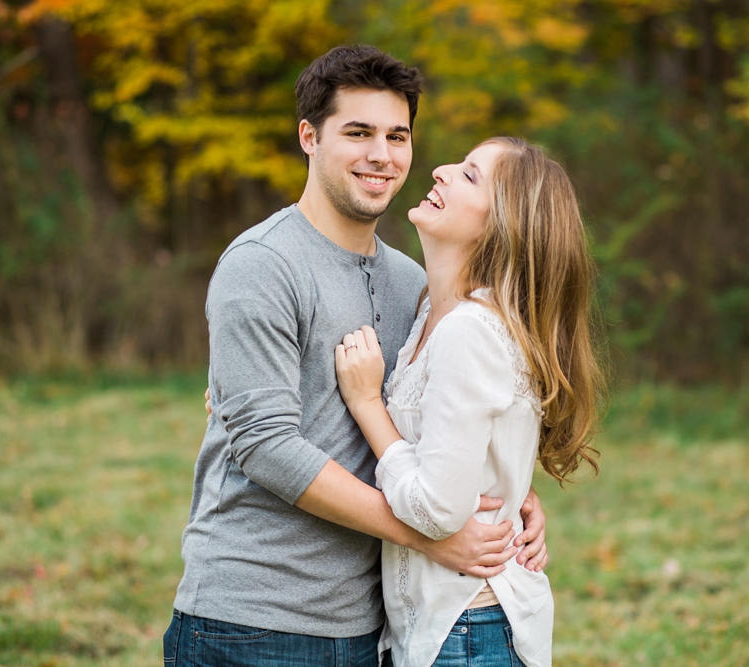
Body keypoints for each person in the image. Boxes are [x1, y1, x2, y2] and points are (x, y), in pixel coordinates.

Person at [164, 46, 549, 667]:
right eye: (358, 133)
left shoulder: (413, 285)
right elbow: (266, 445)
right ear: (309, 137)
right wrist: (436, 537)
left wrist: (512, 495)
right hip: (253, 619)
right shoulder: (261, 264)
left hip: (374, 625)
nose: (382, 155)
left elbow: (441, 417)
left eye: (397, 135)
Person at [334, 137, 603, 667]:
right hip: (443, 628)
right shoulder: (429, 318)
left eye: (471, 175)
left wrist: (368, 405)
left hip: (468, 632)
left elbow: (439, 510)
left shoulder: (470, 331)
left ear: (501, 226)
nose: (441, 171)